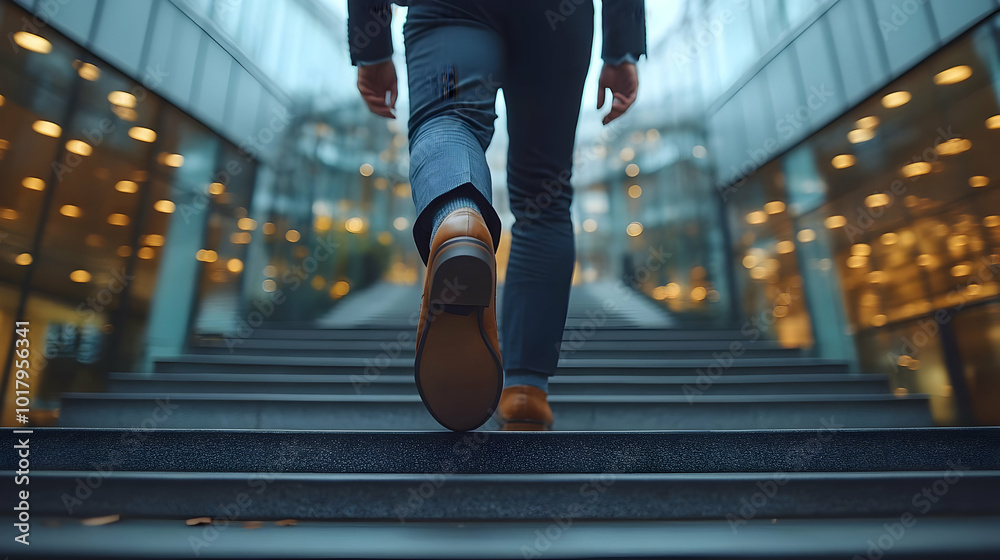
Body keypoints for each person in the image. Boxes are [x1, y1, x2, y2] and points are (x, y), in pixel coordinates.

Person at [348, 0, 645, 431]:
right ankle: (526, 392)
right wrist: (621, 49)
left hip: (450, 10)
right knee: (544, 194)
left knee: (447, 119)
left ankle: (458, 214)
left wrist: (372, 44)